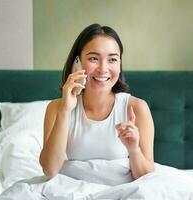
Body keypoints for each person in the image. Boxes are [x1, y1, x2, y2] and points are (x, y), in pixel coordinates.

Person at [39, 24, 155, 179]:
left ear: (120, 65)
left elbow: (147, 177)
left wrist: (134, 150)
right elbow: (49, 170)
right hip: (73, 191)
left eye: (112, 59)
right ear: (77, 62)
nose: (103, 68)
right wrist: (65, 111)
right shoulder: (56, 108)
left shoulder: (137, 108)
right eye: (93, 58)